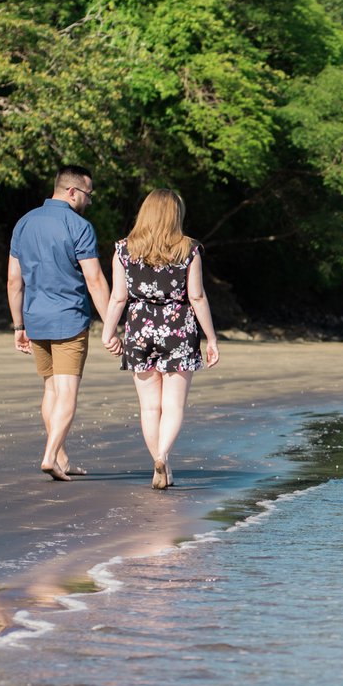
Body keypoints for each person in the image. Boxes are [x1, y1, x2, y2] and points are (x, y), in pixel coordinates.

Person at [101, 189, 220, 490]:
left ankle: (158, 458)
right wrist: (212, 339)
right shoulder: (188, 249)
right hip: (178, 328)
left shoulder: (123, 249)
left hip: (139, 329)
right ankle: (164, 455)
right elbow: (196, 296)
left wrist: (108, 331)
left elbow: (118, 297)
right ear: (175, 214)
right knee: (173, 405)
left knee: (150, 407)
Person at [8, 165, 110, 481]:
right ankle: (50, 456)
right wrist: (111, 325)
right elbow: (94, 279)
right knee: (67, 392)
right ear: (72, 191)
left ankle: (61, 457)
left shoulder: (24, 223)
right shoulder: (78, 226)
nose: (89, 201)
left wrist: (18, 325)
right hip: (69, 319)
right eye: (88, 195)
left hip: (36, 317)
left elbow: (14, 281)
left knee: (51, 389)